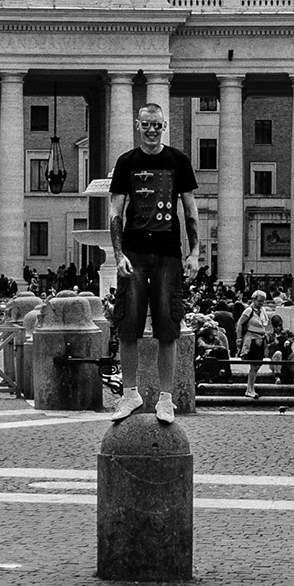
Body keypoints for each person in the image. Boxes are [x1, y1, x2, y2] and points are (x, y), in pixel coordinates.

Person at [106, 104, 200, 425]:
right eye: (146, 125)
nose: (151, 130)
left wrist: (195, 252)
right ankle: (130, 393)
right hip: (133, 253)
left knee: (168, 328)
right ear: (137, 125)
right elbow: (116, 214)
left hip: (169, 253)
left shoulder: (179, 161)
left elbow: (190, 210)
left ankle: (166, 398)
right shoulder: (126, 163)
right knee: (128, 325)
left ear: (164, 126)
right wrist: (118, 256)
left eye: (157, 125)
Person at [236, 292, 271, 399]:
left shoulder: (263, 311)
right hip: (251, 339)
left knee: (257, 365)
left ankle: (250, 388)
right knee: (254, 365)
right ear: (254, 300)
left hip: (261, 339)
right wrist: (239, 339)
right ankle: (250, 389)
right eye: (260, 300)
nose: (262, 303)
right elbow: (240, 324)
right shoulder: (248, 310)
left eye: (263, 301)